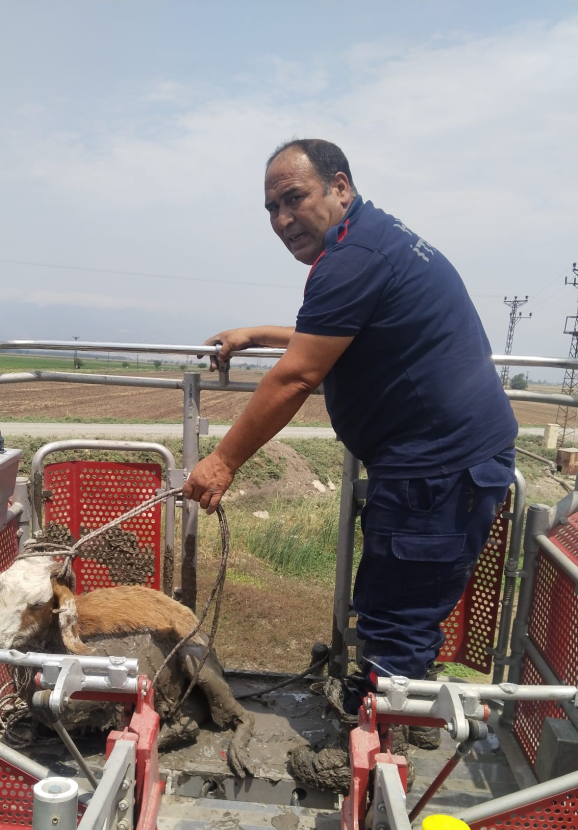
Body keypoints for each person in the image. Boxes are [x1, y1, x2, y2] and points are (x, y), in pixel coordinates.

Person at [183, 138, 517, 720]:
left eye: (294, 198)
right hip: (439, 463)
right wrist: (261, 333)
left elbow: (297, 376)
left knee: (398, 621)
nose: (283, 219)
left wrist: (222, 462)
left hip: (438, 471)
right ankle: (385, 720)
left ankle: (382, 754)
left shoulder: (354, 256)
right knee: (395, 608)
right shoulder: (373, 238)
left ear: (340, 186)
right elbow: (345, 330)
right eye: (271, 209)